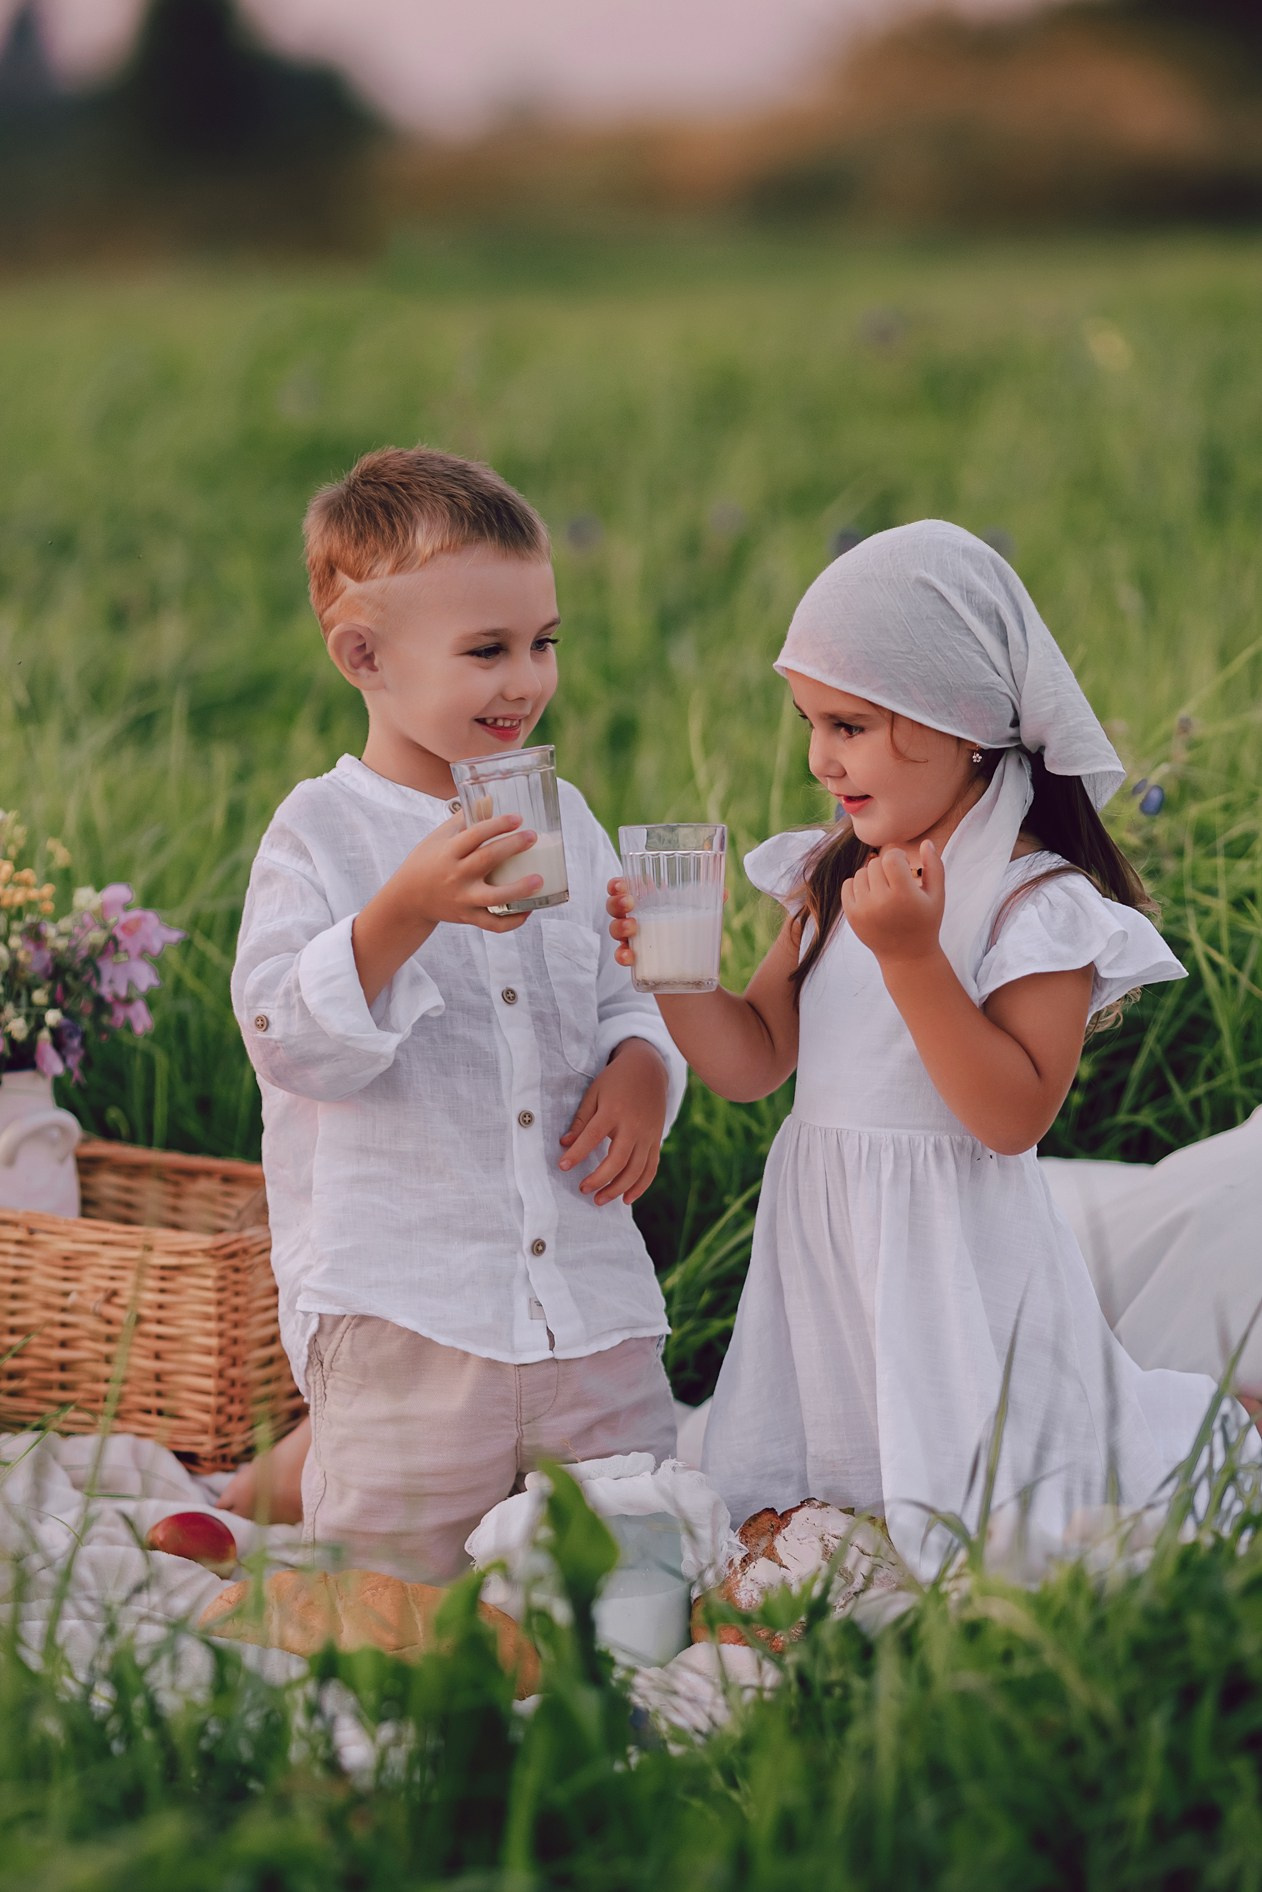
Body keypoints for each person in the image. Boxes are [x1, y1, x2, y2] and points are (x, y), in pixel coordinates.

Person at [607, 520, 1259, 1576]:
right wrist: (676, 976)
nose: (820, 756)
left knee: (1016, 1492)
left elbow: (1009, 1115)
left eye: (850, 724)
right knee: (813, 1476)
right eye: (810, 722)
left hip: (956, 1261)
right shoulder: (832, 874)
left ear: (959, 722)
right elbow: (752, 1060)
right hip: (826, 1244)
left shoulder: (1031, 900)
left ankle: (1223, 1419)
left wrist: (913, 958)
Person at [229, 445, 685, 1580]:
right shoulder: (323, 832)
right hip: (406, 1313)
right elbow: (285, 1037)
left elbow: (618, 984)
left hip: (584, 1302)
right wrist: (403, 912)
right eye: (486, 650)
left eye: (544, 641)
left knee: (645, 1575)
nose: (526, 679)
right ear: (363, 655)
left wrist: (641, 1063)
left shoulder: (563, 812)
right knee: (388, 1598)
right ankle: (280, 1511)